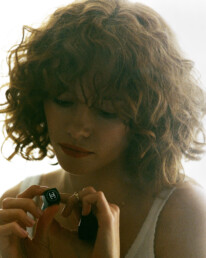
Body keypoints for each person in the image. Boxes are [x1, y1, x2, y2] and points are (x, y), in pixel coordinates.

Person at [0, 0, 206, 257]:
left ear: (147, 118)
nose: (78, 129)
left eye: (107, 111)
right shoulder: (15, 208)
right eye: (63, 101)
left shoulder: (182, 212)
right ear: (38, 97)